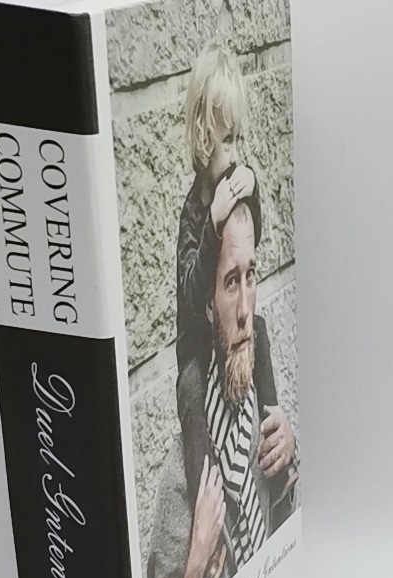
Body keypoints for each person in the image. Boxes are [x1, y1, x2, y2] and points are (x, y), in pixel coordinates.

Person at [146, 188, 299, 578]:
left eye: (251, 276)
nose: (247, 309)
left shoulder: (268, 427)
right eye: (231, 282)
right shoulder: (181, 480)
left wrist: (293, 464)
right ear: (209, 304)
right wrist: (195, 568)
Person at [176, 43, 256, 379]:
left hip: (229, 326)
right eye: (227, 140)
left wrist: (253, 187)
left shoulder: (234, 180)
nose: (235, 154)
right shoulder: (193, 214)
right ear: (204, 136)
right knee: (192, 381)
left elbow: (253, 239)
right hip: (198, 348)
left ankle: (268, 407)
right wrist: (212, 223)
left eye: (238, 138)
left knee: (260, 331)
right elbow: (193, 293)